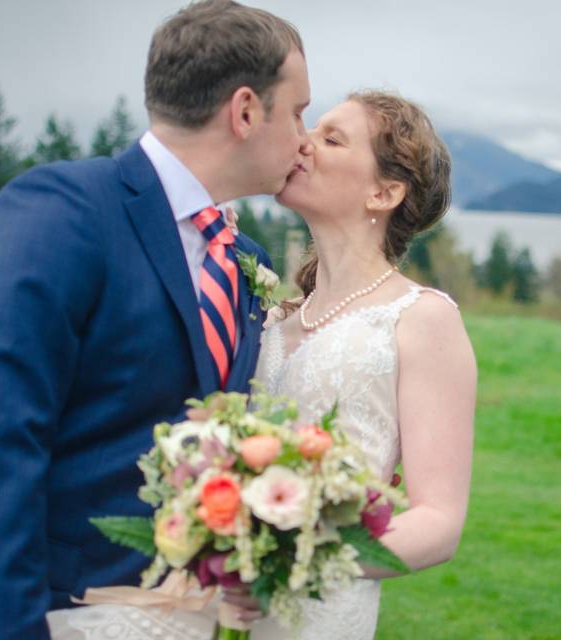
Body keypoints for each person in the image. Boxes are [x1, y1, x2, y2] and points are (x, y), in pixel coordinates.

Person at [0, 2, 310, 638]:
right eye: (298, 111)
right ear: (244, 112)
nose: (304, 136)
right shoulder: (60, 211)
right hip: (11, 608)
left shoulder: (246, 262)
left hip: (151, 614)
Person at [49, 91, 477, 640]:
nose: (304, 143)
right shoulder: (266, 314)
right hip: (211, 604)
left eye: (332, 138)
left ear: (385, 191)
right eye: (311, 128)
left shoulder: (421, 319)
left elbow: (438, 524)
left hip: (317, 613)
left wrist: (285, 563)